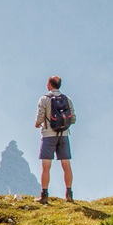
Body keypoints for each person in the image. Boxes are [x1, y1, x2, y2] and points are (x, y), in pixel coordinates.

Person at [34, 75, 76, 203]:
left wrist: (37, 124)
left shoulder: (44, 99)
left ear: (49, 85)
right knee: (66, 164)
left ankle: (44, 195)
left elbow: (40, 117)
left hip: (48, 135)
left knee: (46, 166)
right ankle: (69, 194)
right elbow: (73, 118)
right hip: (63, 135)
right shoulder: (67, 99)